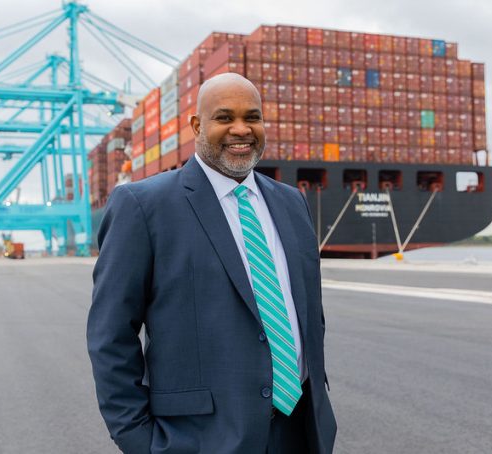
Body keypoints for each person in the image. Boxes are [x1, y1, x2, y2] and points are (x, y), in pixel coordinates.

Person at [87, 73, 336, 454]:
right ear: (196, 125)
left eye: (252, 117)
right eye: (224, 117)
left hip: (300, 431)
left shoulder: (292, 202)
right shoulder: (142, 206)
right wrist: (139, 440)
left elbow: (307, 312)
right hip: (199, 439)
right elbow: (111, 335)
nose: (241, 129)